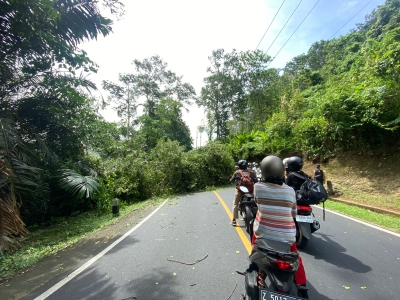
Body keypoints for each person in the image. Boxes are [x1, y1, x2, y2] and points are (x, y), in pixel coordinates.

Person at [252, 156, 309, 299]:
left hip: (264, 234)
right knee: (297, 258)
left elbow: (258, 204)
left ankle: (254, 264)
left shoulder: (258, 187)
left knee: (255, 237)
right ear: (282, 171)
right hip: (287, 238)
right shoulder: (290, 191)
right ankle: (302, 286)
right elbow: (293, 213)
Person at [229, 159, 258, 226]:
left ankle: (234, 220)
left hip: (240, 190)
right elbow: (256, 181)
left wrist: (230, 180)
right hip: (250, 191)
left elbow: (231, 180)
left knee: (235, 204)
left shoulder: (237, 172)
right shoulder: (252, 172)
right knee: (255, 202)